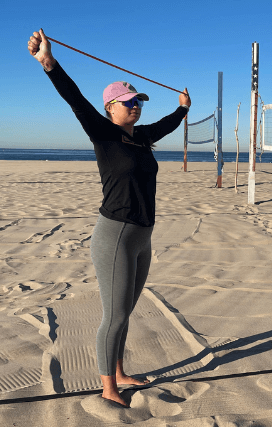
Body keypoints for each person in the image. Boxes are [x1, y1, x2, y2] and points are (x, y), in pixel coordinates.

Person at [27, 29, 191, 407]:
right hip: (115, 235)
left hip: (143, 237)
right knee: (114, 316)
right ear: (111, 108)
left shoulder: (140, 137)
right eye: (128, 102)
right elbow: (76, 100)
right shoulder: (104, 134)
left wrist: (182, 109)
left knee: (127, 311)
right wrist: (49, 64)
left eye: (138, 101)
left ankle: (119, 372)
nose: (135, 106)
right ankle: (108, 388)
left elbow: (165, 125)